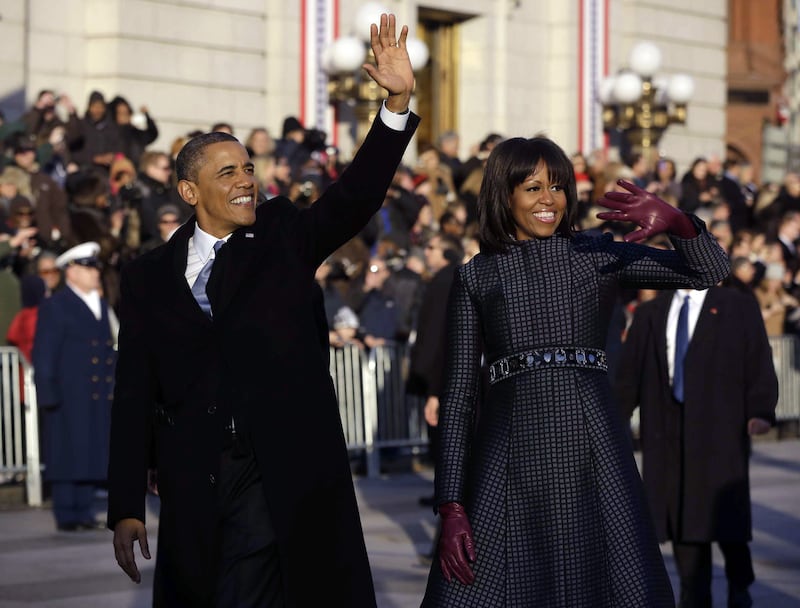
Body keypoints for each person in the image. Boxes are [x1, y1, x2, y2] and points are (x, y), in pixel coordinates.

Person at [107, 14, 418, 607]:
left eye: (249, 167)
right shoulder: (147, 277)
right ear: (190, 192)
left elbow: (354, 197)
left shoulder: (283, 234)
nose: (247, 180)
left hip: (285, 469)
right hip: (195, 481)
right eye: (228, 173)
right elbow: (133, 391)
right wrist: (125, 505)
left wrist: (396, 106)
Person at [420, 136, 730, 607]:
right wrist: (451, 504)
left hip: (593, 447)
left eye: (559, 187)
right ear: (504, 194)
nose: (550, 200)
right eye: (533, 187)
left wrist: (677, 221)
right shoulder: (476, 277)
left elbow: (708, 272)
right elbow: (459, 397)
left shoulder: (596, 255)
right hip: (508, 456)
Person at [614, 285, 777, 608]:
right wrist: (614, 420)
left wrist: (760, 410)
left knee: (725, 515)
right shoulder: (651, 312)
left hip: (720, 428)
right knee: (681, 514)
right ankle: (692, 592)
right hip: (667, 428)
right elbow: (628, 376)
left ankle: (739, 584)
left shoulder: (737, 305)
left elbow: (758, 358)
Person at [32, 241, 116, 531]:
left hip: (93, 394)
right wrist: (48, 393)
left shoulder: (99, 305)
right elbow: (44, 354)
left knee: (89, 450)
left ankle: (83, 509)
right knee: (67, 452)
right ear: (72, 272)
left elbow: (107, 350)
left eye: (96, 268)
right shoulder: (57, 306)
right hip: (69, 393)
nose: (96, 274)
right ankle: (67, 512)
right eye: (88, 268)